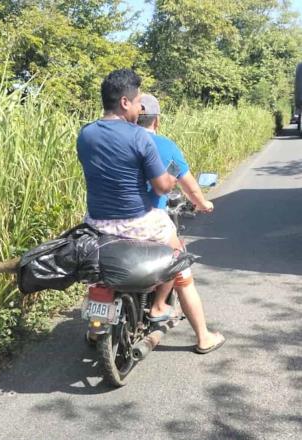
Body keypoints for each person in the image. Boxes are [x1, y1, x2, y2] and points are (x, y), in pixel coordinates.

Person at [77, 69, 225, 354]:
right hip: (139, 222)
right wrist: (171, 173)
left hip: (96, 223)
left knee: (98, 272)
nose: (139, 108)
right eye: (137, 102)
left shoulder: (86, 134)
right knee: (178, 259)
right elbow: (160, 188)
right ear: (124, 102)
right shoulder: (139, 137)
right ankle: (190, 327)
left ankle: (97, 324)